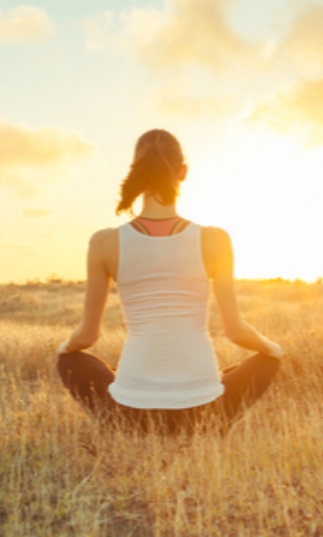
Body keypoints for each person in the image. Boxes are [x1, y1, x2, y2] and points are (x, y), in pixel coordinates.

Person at [56, 129, 283, 435]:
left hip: (131, 413)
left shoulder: (104, 242)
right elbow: (236, 332)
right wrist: (273, 350)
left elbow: (86, 337)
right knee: (264, 361)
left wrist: (63, 348)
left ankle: (124, 420)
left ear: (135, 171)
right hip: (204, 412)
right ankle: (205, 422)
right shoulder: (215, 239)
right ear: (183, 172)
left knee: (71, 360)